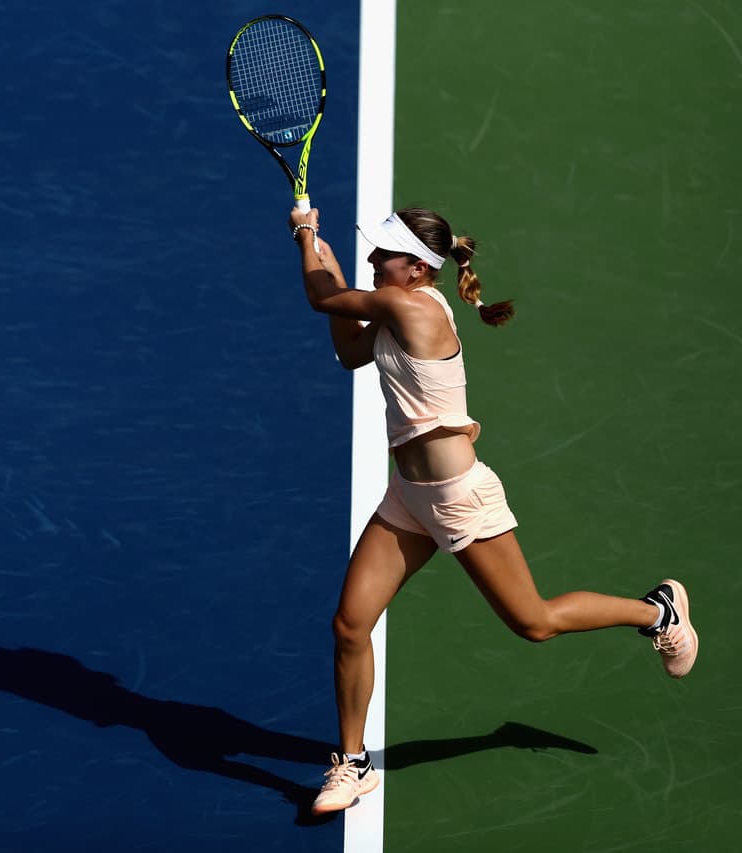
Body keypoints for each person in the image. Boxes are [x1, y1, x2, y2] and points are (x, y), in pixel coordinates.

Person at [287, 204, 699, 816]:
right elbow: (350, 349)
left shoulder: (414, 307)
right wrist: (320, 250)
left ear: (418, 268)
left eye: (385, 254)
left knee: (533, 623)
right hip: (408, 497)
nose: (375, 259)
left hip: (459, 499)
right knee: (350, 625)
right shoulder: (393, 306)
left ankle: (657, 611)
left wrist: (306, 236)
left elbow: (326, 300)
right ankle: (353, 763)